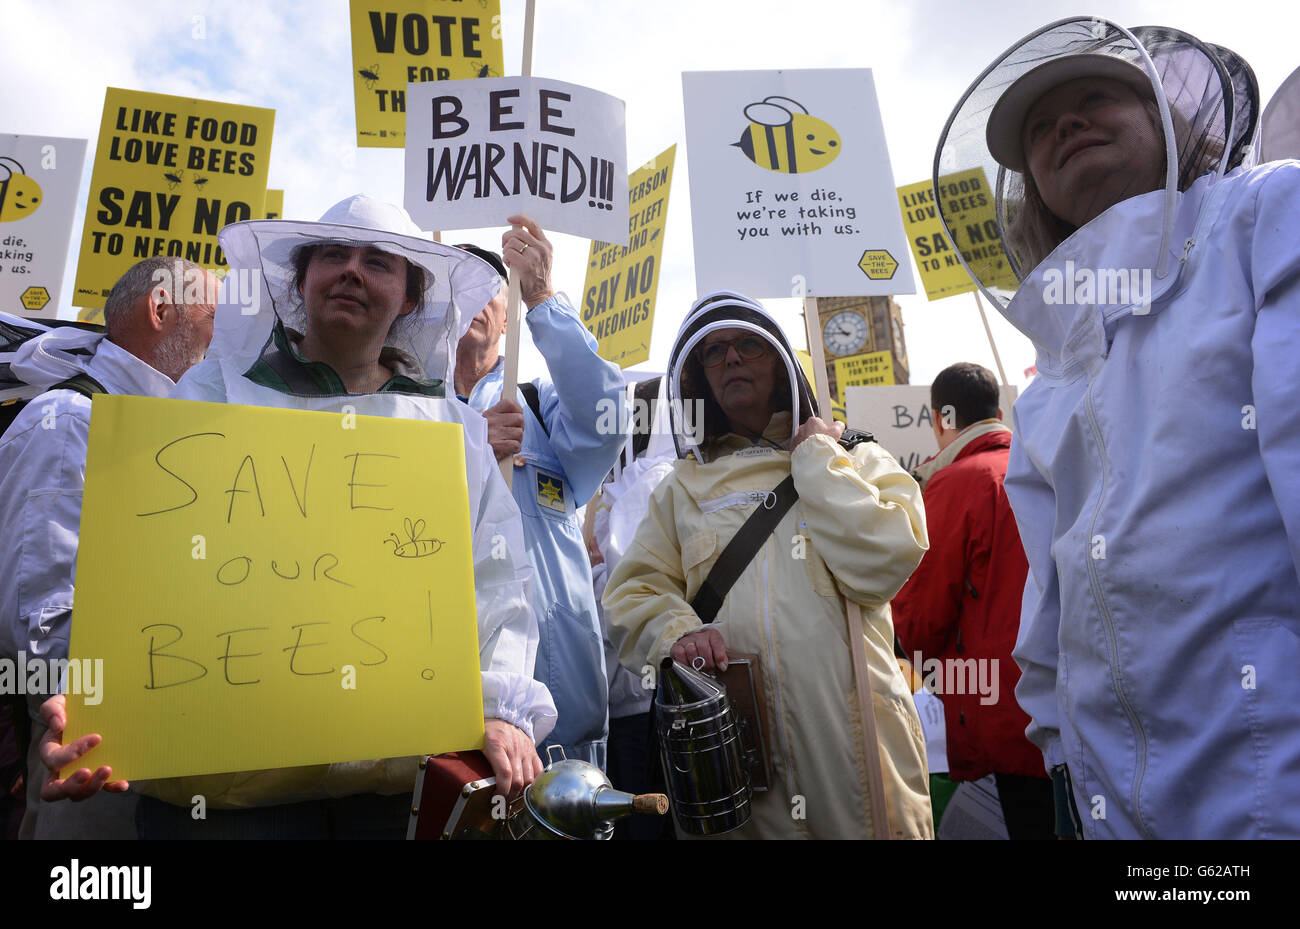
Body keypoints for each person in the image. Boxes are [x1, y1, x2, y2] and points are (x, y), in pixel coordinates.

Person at [37, 196, 557, 839]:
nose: (352, 271)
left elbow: (497, 581)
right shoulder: (210, 397)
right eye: (334, 256)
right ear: (301, 279)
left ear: (410, 298)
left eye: (378, 262)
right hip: (225, 798)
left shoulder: (451, 430)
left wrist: (503, 708)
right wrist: (98, 697)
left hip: (391, 794)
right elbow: (142, 570)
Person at [938, 18, 1300, 838]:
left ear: (1164, 121)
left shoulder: (1265, 216)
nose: (1065, 124)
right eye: (1039, 127)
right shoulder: (1051, 372)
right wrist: (1064, 758)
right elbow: (1051, 602)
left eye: (1095, 97)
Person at [603, 292, 933, 839]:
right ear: (699, 379)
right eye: (714, 352)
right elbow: (631, 593)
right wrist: (677, 633)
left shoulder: (856, 456)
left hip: (854, 757)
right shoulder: (680, 489)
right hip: (736, 765)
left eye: (748, 345)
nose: (731, 358)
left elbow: (887, 558)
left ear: (781, 364)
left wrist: (819, 459)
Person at [0, 256, 218, 838]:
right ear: (161, 309)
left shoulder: (174, 425)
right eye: (215, 318)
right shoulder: (69, 421)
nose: (225, 340)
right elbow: (38, 613)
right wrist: (92, 715)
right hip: (94, 751)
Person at [453, 219, 626, 769]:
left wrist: (544, 298)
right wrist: (464, 449)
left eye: (490, 288)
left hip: (563, 730)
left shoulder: (540, 404)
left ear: (508, 317)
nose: (474, 299)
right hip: (450, 718)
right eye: (457, 285)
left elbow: (607, 417)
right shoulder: (408, 410)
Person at [891, 362, 1051, 839]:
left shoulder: (955, 483)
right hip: (1070, 697)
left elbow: (920, 619)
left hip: (1000, 705)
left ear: (940, 419)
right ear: (998, 414)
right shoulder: (1044, 462)